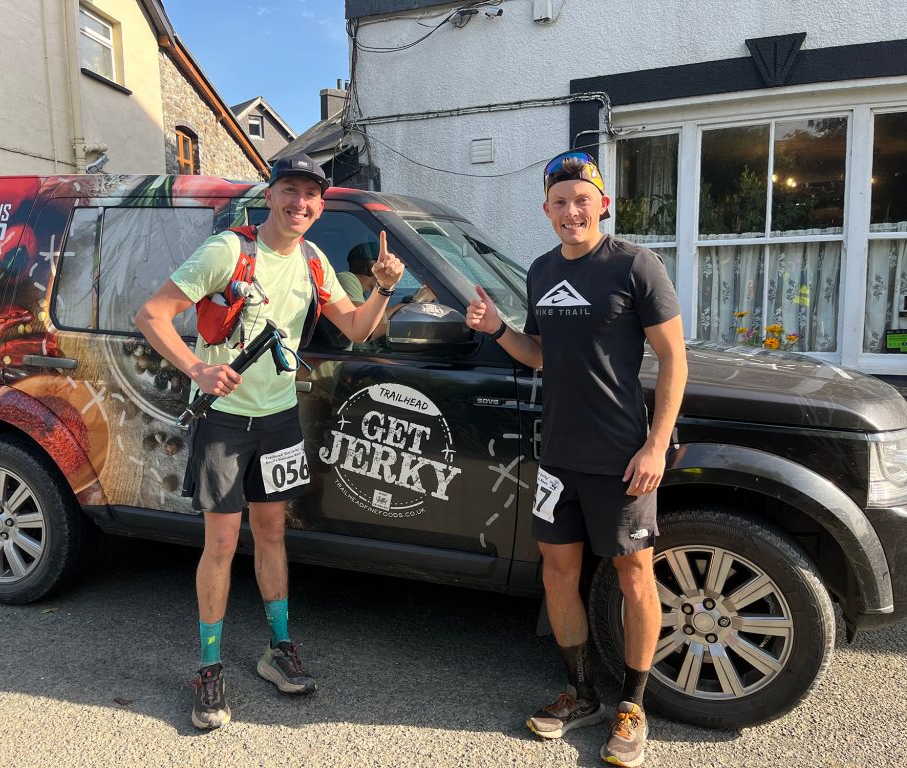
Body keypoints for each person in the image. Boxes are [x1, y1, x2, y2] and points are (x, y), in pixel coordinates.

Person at [135, 152, 404, 730]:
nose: (299, 202)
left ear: (319, 203)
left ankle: (276, 650)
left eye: (310, 194)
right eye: (290, 189)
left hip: (279, 419)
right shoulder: (228, 252)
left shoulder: (313, 260)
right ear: (270, 193)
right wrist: (197, 369)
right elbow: (152, 314)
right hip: (224, 419)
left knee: (274, 533)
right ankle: (209, 667)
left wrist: (381, 290)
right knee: (223, 543)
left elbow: (356, 327)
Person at [466, 151, 687, 767]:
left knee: (634, 577)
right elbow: (537, 355)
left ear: (602, 203)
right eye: (560, 202)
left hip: (622, 458)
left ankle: (634, 705)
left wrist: (655, 445)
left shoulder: (634, 265)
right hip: (558, 456)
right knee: (556, 575)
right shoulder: (540, 272)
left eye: (581, 199)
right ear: (546, 210)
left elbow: (674, 359)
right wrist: (496, 328)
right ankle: (582, 693)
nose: (571, 211)